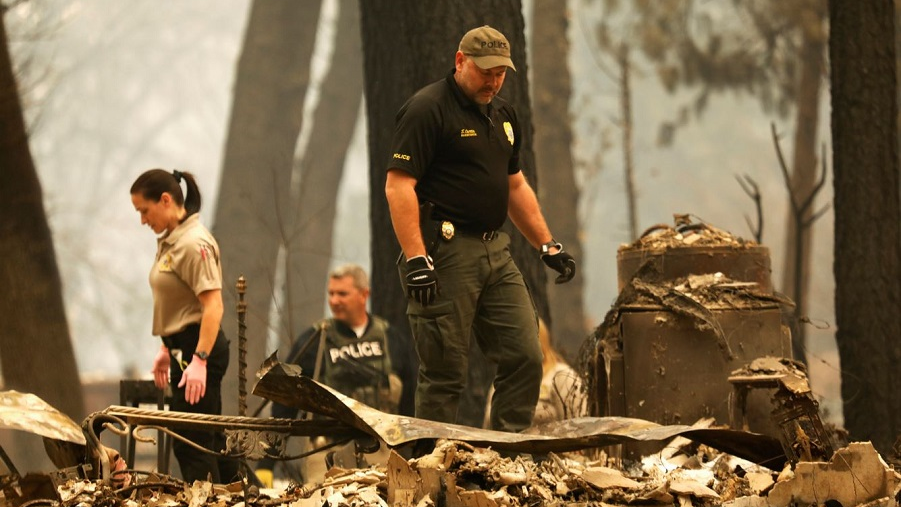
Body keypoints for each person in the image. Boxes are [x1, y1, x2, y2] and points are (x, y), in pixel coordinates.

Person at [384, 25, 577, 436]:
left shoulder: (503, 115)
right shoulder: (427, 109)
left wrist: (547, 244)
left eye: (500, 73)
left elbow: (515, 184)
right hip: (445, 250)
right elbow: (398, 185)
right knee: (445, 370)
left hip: (496, 250)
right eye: (485, 71)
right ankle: (428, 467)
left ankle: (508, 450)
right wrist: (417, 258)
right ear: (460, 61)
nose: (493, 81)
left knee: (526, 354)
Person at [255, 264, 416, 486]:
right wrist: (267, 463)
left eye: (342, 293)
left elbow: (410, 397)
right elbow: (284, 403)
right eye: (331, 293)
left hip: (381, 451)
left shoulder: (390, 338)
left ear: (364, 295)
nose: (334, 300)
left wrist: (411, 452)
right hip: (326, 452)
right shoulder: (314, 340)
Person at [130, 168, 240, 484]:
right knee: (211, 441)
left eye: (144, 211)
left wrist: (200, 359)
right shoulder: (172, 241)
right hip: (184, 350)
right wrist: (167, 349)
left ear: (165, 200)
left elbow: (212, 306)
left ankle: (207, 500)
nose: (142, 220)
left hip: (198, 351)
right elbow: (180, 303)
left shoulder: (194, 243)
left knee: (192, 443)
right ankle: (249, 498)